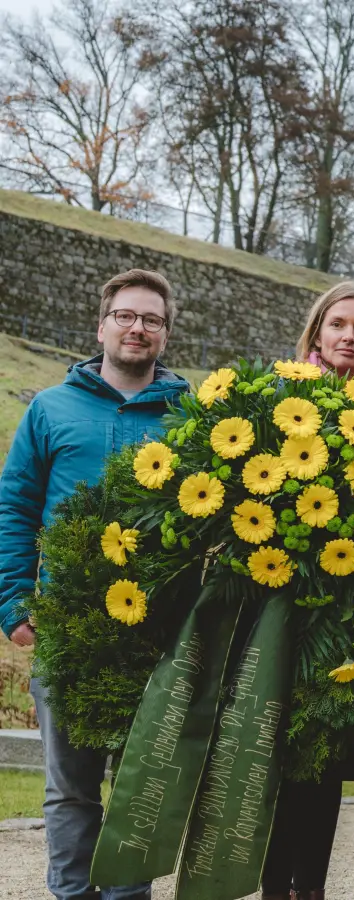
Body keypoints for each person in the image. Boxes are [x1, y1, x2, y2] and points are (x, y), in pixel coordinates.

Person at [0, 269, 189, 900]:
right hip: (67, 626)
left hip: (157, 631)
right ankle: (74, 893)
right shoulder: (51, 408)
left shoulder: (191, 418)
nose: (139, 328)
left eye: (152, 320)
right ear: (102, 324)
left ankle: (128, 894)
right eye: (127, 316)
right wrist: (12, 602)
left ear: (166, 333)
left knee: (143, 779)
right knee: (70, 785)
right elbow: (15, 510)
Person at [262, 282, 354, 900]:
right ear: (317, 331)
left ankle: (309, 886)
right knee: (277, 749)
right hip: (282, 600)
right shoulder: (278, 395)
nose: (349, 337)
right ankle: (271, 883)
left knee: (328, 753)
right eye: (338, 324)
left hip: (353, 606)